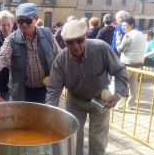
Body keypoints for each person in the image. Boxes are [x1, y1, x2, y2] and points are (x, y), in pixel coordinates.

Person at [45, 19, 129, 155]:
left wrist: (118, 94)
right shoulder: (60, 61)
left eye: (79, 40)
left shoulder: (101, 48)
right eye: (70, 42)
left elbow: (119, 70)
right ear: (64, 42)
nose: (76, 46)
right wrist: (50, 114)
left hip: (101, 100)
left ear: (85, 36)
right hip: (75, 102)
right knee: (73, 138)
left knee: (98, 139)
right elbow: (53, 90)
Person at [0, 3, 60, 103]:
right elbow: (1, 57)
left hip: (47, 90)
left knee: (45, 118)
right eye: (20, 21)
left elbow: (59, 57)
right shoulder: (11, 39)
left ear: (36, 18)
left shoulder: (47, 34)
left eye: (27, 21)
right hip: (22, 92)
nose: (23, 25)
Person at [116, 17, 146, 110]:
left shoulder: (128, 35)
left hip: (127, 63)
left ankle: (120, 106)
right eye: (122, 26)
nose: (123, 27)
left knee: (123, 84)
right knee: (133, 84)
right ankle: (130, 105)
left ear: (131, 25)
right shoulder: (141, 34)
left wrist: (118, 40)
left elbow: (120, 49)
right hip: (138, 63)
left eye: (125, 25)